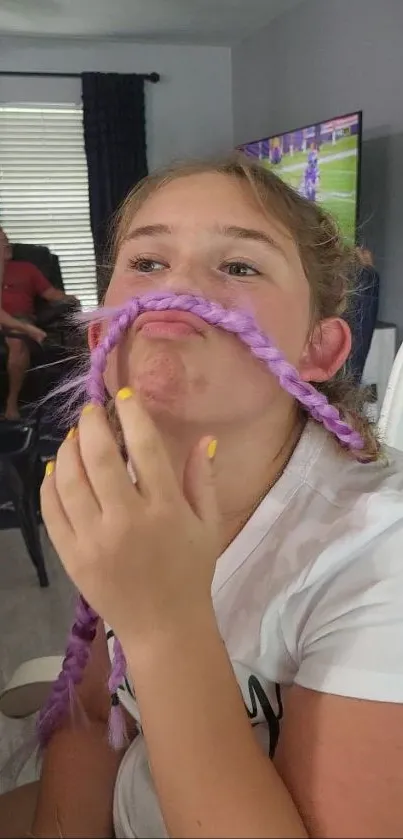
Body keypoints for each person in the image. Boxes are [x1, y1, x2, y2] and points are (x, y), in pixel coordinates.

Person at [1, 155, 403, 839]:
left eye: (240, 266)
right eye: (148, 262)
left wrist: (163, 624)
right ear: (104, 336)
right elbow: (95, 714)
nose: (177, 286)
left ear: (319, 348)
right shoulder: (125, 489)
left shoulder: (377, 549)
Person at [0, 228, 76, 419]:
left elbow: (51, 294)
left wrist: (69, 298)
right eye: (1, 240)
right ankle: (27, 330)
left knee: (17, 342)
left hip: (18, 319)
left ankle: (11, 404)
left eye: (6, 239)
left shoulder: (26, 268)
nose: (7, 243)